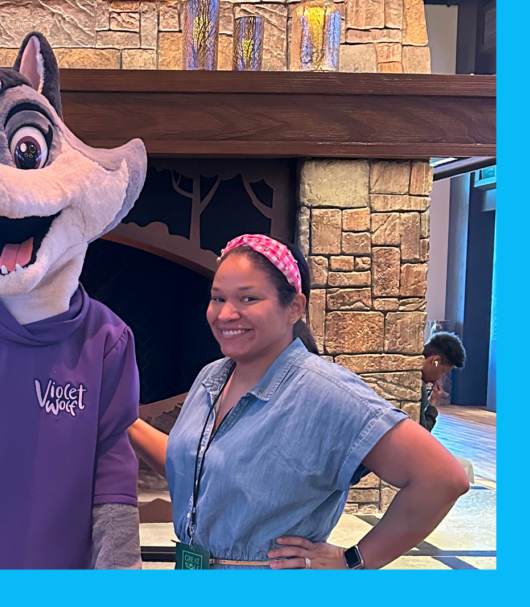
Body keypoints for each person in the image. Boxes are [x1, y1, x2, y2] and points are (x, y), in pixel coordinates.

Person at [127, 234, 470, 569]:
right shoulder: (211, 377)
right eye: (218, 298)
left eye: (248, 298)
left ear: (294, 307)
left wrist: (353, 559)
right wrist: (124, 419)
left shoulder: (324, 392)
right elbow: (194, 467)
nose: (225, 314)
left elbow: (443, 478)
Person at [419, 332, 466, 432]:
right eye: (443, 372)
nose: (440, 378)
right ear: (435, 361)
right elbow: (421, 433)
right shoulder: (418, 387)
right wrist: (433, 404)